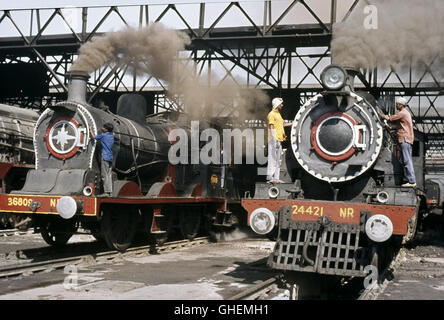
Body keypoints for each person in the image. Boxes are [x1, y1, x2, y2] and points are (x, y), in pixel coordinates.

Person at [380, 97, 416, 187]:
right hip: (406, 138)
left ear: (401, 105)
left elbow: (390, 118)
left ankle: (411, 181)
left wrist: (380, 115)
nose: (396, 105)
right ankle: (408, 179)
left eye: (397, 104)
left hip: (404, 138)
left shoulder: (403, 113)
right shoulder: (406, 113)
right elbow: (402, 126)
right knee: (406, 160)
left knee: (407, 160)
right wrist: (391, 128)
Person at [266, 97, 292, 183]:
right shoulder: (271, 114)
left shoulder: (278, 114)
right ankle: (270, 177)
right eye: (281, 103)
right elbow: (271, 126)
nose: (282, 105)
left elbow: (282, 124)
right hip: (273, 139)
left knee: (278, 160)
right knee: (272, 158)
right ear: (277, 104)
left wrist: (294, 122)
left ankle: (276, 178)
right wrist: (273, 139)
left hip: (279, 139)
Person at [90, 122, 115, 196]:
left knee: (104, 175)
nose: (102, 128)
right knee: (109, 175)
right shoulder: (112, 136)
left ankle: (106, 192)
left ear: (106, 130)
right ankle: (110, 192)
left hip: (104, 156)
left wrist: (90, 129)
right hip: (110, 157)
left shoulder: (103, 135)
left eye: (103, 128)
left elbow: (94, 137)